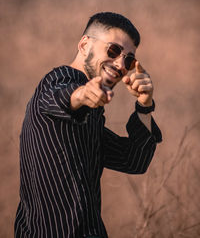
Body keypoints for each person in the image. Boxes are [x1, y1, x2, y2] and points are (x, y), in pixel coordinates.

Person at [14, 12, 162, 238]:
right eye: (113, 51)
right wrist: (82, 95)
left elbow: (134, 160)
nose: (121, 64)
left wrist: (144, 105)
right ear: (84, 45)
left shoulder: (90, 120)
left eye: (129, 60)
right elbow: (59, 97)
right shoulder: (56, 81)